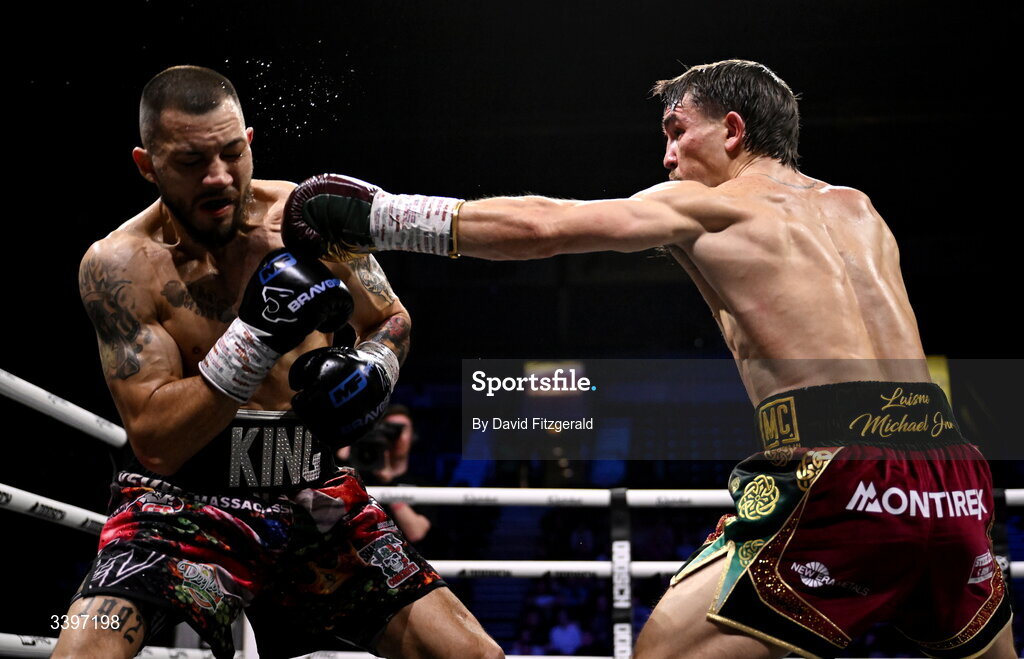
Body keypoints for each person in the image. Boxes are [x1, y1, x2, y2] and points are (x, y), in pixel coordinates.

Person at [280, 60, 1016, 658]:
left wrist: (381, 216)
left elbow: (545, 226)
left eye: (676, 131)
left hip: (842, 473)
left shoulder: (711, 206)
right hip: (953, 473)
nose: (665, 156)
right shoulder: (860, 208)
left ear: (732, 129)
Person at [55, 65, 502, 659]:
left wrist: (373, 369)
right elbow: (158, 440)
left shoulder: (304, 219)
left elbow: (390, 320)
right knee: (83, 652)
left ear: (250, 143)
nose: (218, 177)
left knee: (474, 657)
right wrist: (256, 334)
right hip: (181, 504)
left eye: (232, 153)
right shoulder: (119, 265)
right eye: (191, 162)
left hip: (310, 491)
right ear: (147, 165)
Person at [340, 404, 433, 542]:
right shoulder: (359, 476)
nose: (395, 436)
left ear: (413, 436)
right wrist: (344, 454)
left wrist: (389, 483)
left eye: (401, 430)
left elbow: (416, 532)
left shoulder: (423, 483)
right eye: (389, 429)